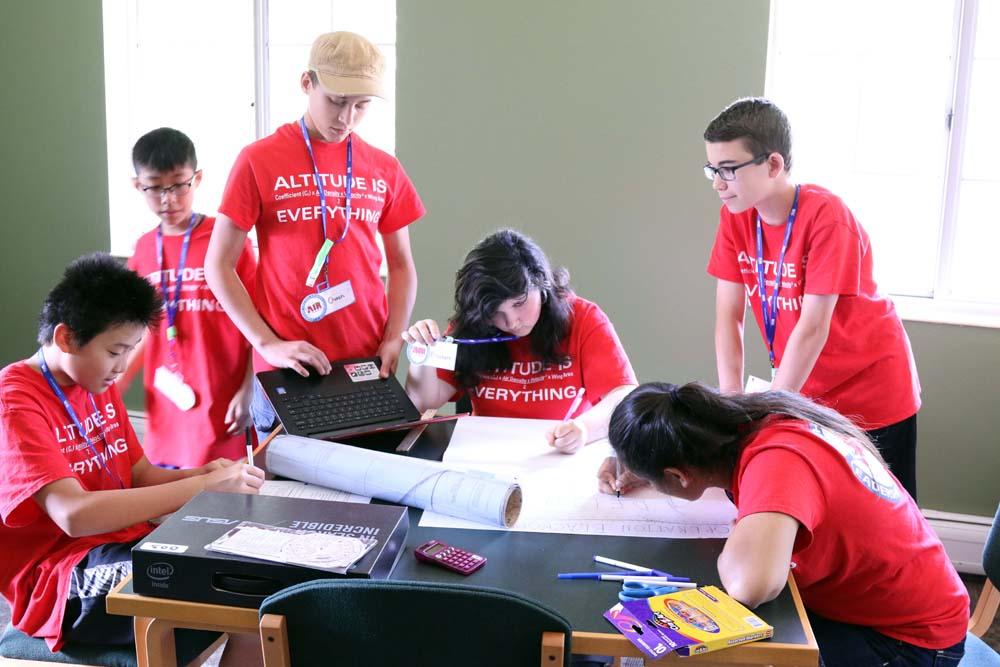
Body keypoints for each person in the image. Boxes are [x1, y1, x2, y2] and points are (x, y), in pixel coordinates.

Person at [0, 253, 264, 662]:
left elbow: (137, 474)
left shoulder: (94, 381)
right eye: (115, 351)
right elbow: (74, 515)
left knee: (258, 581)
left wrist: (204, 473)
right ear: (66, 337)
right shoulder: (15, 401)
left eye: (131, 350)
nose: (123, 367)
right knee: (211, 584)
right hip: (60, 577)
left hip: (127, 542)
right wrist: (200, 487)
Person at [598, 382, 968, 667]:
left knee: (715, 654)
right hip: (888, 605)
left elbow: (751, 586)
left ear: (679, 475)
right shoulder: (759, 422)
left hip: (910, 643)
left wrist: (739, 535)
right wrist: (650, 469)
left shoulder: (778, 462)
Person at [205, 31, 424, 435]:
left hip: (366, 364)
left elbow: (401, 265)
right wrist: (267, 344)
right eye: (336, 101)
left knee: (371, 492)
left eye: (361, 106)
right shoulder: (258, 160)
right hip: (288, 368)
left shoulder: (384, 167)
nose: (346, 118)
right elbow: (217, 265)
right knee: (287, 495)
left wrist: (394, 338)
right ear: (307, 84)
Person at [703, 97, 922, 499]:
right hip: (806, 390)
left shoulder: (827, 217)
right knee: (819, 508)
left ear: (773, 164)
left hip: (870, 391)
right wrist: (732, 408)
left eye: (729, 170)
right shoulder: (735, 217)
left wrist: (769, 411)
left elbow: (813, 327)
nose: (718, 183)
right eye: (712, 170)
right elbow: (728, 318)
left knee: (883, 514)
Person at [403, 229, 637, 453]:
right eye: (496, 312)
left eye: (519, 304)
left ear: (542, 285)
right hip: (486, 456)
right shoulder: (473, 326)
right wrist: (421, 355)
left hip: (560, 456)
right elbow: (423, 401)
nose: (512, 322)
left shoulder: (583, 318)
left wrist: (584, 429)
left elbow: (623, 395)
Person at [122, 127, 257, 468]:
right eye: (155, 187)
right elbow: (137, 333)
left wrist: (250, 388)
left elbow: (261, 320)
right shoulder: (142, 251)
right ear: (138, 185)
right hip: (167, 412)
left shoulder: (227, 241)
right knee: (167, 505)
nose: (168, 199)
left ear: (196, 179)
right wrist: (114, 384)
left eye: (179, 185)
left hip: (224, 403)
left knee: (225, 500)